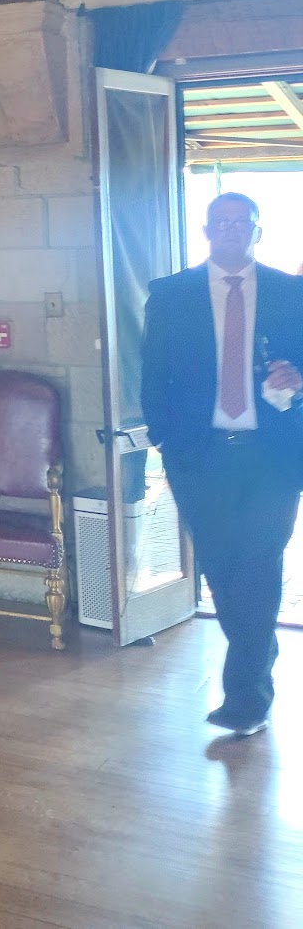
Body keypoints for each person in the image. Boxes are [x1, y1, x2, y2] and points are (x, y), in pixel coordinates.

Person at [141, 192, 303, 736]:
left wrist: (299, 380)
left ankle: (246, 698)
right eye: (221, 221)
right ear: (207, 231)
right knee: (220, 566)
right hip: (198, 454)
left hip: (272, 456)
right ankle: (259, 655)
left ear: (258, 231)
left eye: (242, 221)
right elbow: (152, 372)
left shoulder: (292, 292)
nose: (231, 229)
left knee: (259, 564)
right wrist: (164, 438)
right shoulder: (170, 294)